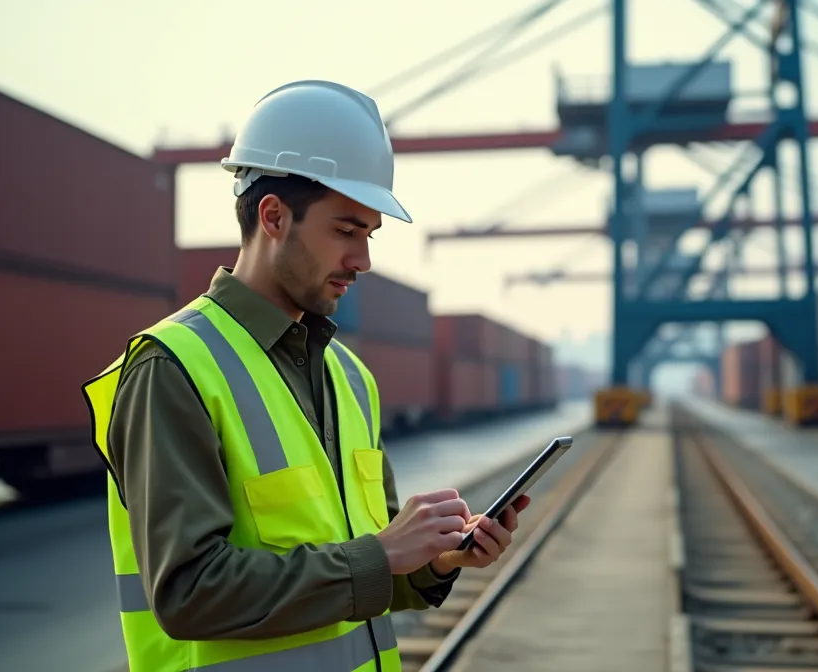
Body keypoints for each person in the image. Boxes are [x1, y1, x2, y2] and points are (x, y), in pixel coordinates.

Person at [82, 80, 530, 672]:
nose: (362, 261)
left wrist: (436, 561)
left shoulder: (350, 377)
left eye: (368, 235)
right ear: (273, 216)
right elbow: (188, 594)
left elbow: (368, 574)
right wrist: (381, 555)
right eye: (345, 231)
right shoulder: (172, 368)